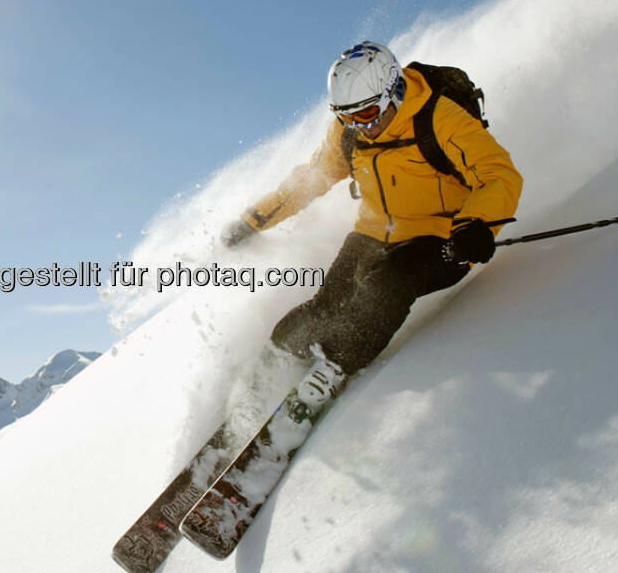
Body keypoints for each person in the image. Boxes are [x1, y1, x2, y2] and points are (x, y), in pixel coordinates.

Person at [223, 41, 523, 395]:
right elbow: (310, 179)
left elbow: (498, 175)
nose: (357, 127)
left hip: (444, 240)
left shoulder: (439, 119)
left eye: (365, 115)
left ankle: (332, 369)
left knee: (388, 283)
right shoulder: (349, 131)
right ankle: (266, 375)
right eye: (345, 117)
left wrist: (476, 224)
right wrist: (254, 220)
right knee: (325, 305)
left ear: (393, 92)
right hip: (374, 233)